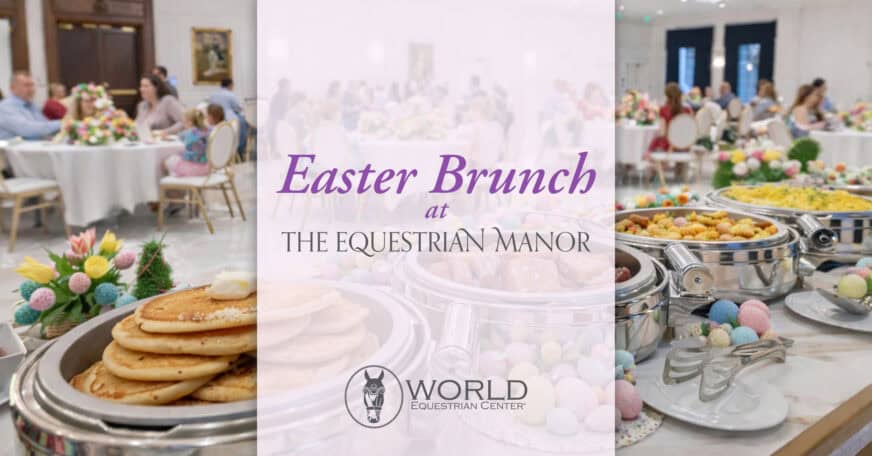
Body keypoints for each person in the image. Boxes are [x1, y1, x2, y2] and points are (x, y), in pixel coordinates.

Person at [0, 71, 62, 140]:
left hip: (36, 145)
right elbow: (26, 129)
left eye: (32, 85)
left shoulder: (31, 105)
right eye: (26, 85)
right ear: (12, 88)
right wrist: (62, 123)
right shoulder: (5, 107)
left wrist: (65, 126)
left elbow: (45, 124)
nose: (31, 89)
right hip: (16, 146)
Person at [164, 108, 211, 177]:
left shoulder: (188, 133)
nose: (183, 125)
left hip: (193, 169)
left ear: (189, 122)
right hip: (207, 168)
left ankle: (176, 179)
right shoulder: (209, 130)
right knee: (179, 156)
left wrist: (166, 136)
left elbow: (178, 137)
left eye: (184, 122)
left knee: (167, 162)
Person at [208, 77, 247, 155]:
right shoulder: (230, 95)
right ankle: (239, 149)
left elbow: (210, 105)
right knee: (243, 123)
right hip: (228, 118)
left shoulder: (213, 94)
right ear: (230, 85)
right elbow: (238, 108)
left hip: (215, 118)